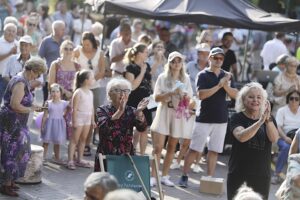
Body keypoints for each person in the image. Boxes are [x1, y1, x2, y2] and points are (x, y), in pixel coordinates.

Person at [179, 47, 238, 188]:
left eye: (221, 58)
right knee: (194, 149)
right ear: (210, 58)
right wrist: (219, 85)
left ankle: (209, 179)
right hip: (204, 118)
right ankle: (184, 175)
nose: (218, 61)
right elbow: (201, 95)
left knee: (214, 150)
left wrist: (225, 85)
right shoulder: (203, 75)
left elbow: (235, 95)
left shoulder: (227, 75)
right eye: (215, 58)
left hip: (221, 119)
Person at [0, 57, 46, 197]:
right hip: (11, 123)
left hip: (17, 123)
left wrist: (33, 107)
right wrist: (31, 110)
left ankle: (11, 181)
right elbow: (15, 105)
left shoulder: (24, 80)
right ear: (32, 70)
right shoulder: (20, 82)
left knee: (21, 151)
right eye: (37, 74)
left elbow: (23, 103)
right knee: (11, 152)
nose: (37, 78)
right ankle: (5, 184)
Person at [226, 82, 278, 200]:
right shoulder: (237, 117)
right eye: (251, 97)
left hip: (262, 175)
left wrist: (267, 119)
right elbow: (241, 136)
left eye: (259, 97)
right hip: (239, 173)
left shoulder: (269, 119)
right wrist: (259, 122)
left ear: (264, 101)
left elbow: (274, 138)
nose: (255, 100)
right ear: (243, 100)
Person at [150, 51, 195, 187]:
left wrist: (185, 97)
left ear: (182, 63)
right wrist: (172, 92)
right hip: (164, 111)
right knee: (157, 147)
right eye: (173, 61)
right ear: (169, 63)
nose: (176, 64)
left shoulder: (186, 78)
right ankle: (153, 176)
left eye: (178, 61)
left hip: (177, 114)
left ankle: (164, 176)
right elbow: (156, 97)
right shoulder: (162, 77)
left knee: (171, 146)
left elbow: (191, 98)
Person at [94, 78, 148, 171]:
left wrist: (139, 113)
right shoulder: (102, 110)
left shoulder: (131, 110)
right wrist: (120, 111)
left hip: (126, 155)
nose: (122, 93)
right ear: (109, 94)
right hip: (107, 154)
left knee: (124, 183)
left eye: (126, 91)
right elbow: (104, 128)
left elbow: (142, 128)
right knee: (105, 184)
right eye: (118, 90)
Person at [74, 32, 106, 156]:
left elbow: (102, 71)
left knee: (92, 115)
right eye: (84, 44)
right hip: (81, 87)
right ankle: (77, 143)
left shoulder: (100, 53)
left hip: (95, 86)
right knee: (80, 112)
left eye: (88, 44)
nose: (86, 46)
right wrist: (83, 82)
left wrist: (91, 81)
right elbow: (74, 66)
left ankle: (87, 142)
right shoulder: (77, 51)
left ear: (93, 43)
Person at [124, 43, 152, 155]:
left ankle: (142, 154)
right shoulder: (130, 67)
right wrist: (142, 72)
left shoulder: (147, 65)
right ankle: (127, 151)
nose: (147, 54)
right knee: (130, 128)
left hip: (146, 101)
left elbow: (149, 80)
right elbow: (132, 86)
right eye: (145, 52)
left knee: (144, 129)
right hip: (133, 101)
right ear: (139, 53)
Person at [48, 40, 80, 139]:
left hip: (72, 98)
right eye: (66, 48)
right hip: (57, 97)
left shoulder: (77, 66)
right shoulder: (56, 64)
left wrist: (72, 94)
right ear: (61, 49)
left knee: (71, 130)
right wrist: (63, 91)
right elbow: (51, 83)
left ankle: (71, 152)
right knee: (55, 128)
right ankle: (55, 153)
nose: (68, 51)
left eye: (71, 49)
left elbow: (79, 85)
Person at [67, 70, 95, 170]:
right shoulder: (78, 92)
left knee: (83, 139)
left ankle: (80, 159)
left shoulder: (91, 93)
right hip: (79, 118)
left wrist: (93, 120)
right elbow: (74, 108)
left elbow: (91, 107)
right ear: (86, 80)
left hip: (87, 118)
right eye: (92, 78)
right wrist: (74, 121)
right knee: (74, 140)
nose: (93, 80)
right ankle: (70, 160)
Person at [272, 90, 300, 185]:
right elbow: (278, 127)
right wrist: (285, 138)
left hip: (298, 136)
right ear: (288, 99)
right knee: (286, 148)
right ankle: (277, 174)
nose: (294, 101)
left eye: (296, 99)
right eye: (291, 98)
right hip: (284, 136)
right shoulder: (282, 110)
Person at [41, 83, 69, 164]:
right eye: (53, 91)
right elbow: (45, 115)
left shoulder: (64, 103)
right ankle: (42, 157)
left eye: (57, 91)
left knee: (57, 143)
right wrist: (42, 126)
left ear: (60, 93)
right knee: (46, 142)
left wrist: (64, 114)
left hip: (59, 124)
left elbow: (70, 108)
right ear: (50, 93)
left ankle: (56, 157)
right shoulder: (48, 103)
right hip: (49, 124)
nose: (55, 93)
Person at [39, 20, 65, 102]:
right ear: (56, 30)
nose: (64, 31)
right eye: (62, 29)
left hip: (62, 76)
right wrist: (41, 75)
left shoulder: (65, 42)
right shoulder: (46, 41)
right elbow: (40, 57)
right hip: (49, 75)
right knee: (47, 99)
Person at [0, 23, 18, 104]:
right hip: (1, 76)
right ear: (4, 31)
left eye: (13, 31)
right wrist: (10, 53)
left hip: (13, 77)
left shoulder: (18, 44)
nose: (11, 33)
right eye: (9, 31)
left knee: (10, 102)